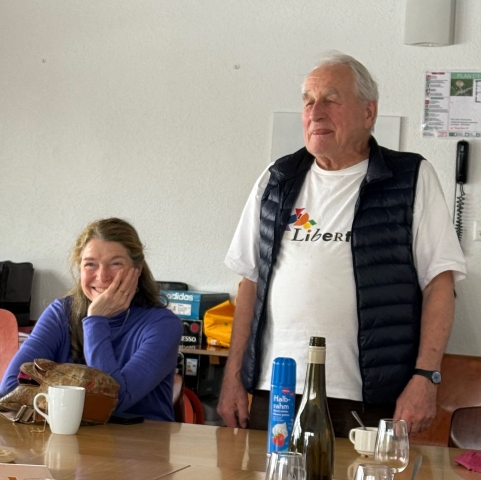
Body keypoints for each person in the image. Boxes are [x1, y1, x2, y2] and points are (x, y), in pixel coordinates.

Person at [217, 51, 467, 437]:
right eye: (308, 101)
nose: (315, 113)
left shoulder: (410, 177)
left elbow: (440, 284)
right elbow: (249, 282)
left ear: (369, 112)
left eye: (331, 100)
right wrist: (233, 376)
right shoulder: (276, 178)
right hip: (276, 391)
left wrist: (426, 376)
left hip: (368, 398)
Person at [0, 217, 183, 421]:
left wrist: (96, 320)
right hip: (66, 436)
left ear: (137, 269)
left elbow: (111, 402)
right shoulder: (61, 313)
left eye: (116, 264)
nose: (102, 276)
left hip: (139, 439)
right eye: (90, 264)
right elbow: (10, 388)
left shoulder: (163, 325)